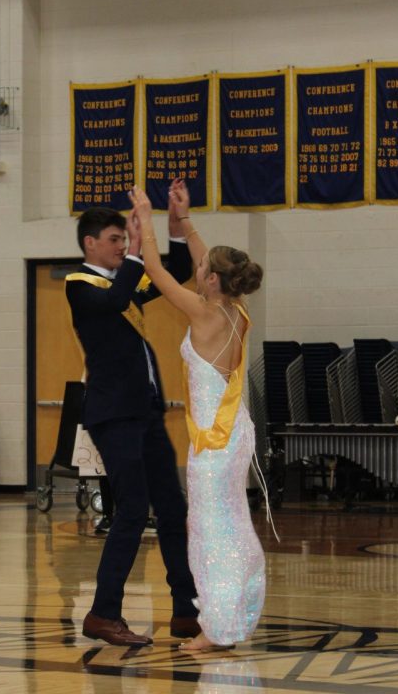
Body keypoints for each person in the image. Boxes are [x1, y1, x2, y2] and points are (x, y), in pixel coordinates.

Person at [130, 183, 268, 651]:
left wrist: (147, 220)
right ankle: (232, 616)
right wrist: (183, 220)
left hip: (213, 442)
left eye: (203, 270)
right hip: (233, 435)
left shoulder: (203, 312)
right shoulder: (236, 309)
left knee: (212, 534)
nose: (199, 269)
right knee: (230, 526)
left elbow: (154, 271)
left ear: (211, 281)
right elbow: (207, 261)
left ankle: (219, 628)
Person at [64, 183, 199, 647]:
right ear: (90, 244)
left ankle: (187, 609)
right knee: (132, 509)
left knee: (173, 508)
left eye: (126, 239)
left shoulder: (122, 279)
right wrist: (139, 252)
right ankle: (102, 613)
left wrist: (175, 223)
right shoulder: (80, 285)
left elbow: (175, 271)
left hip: (145, 411)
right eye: (116, 240)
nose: (123, 246)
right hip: (113, 414)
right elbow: (118, 299)